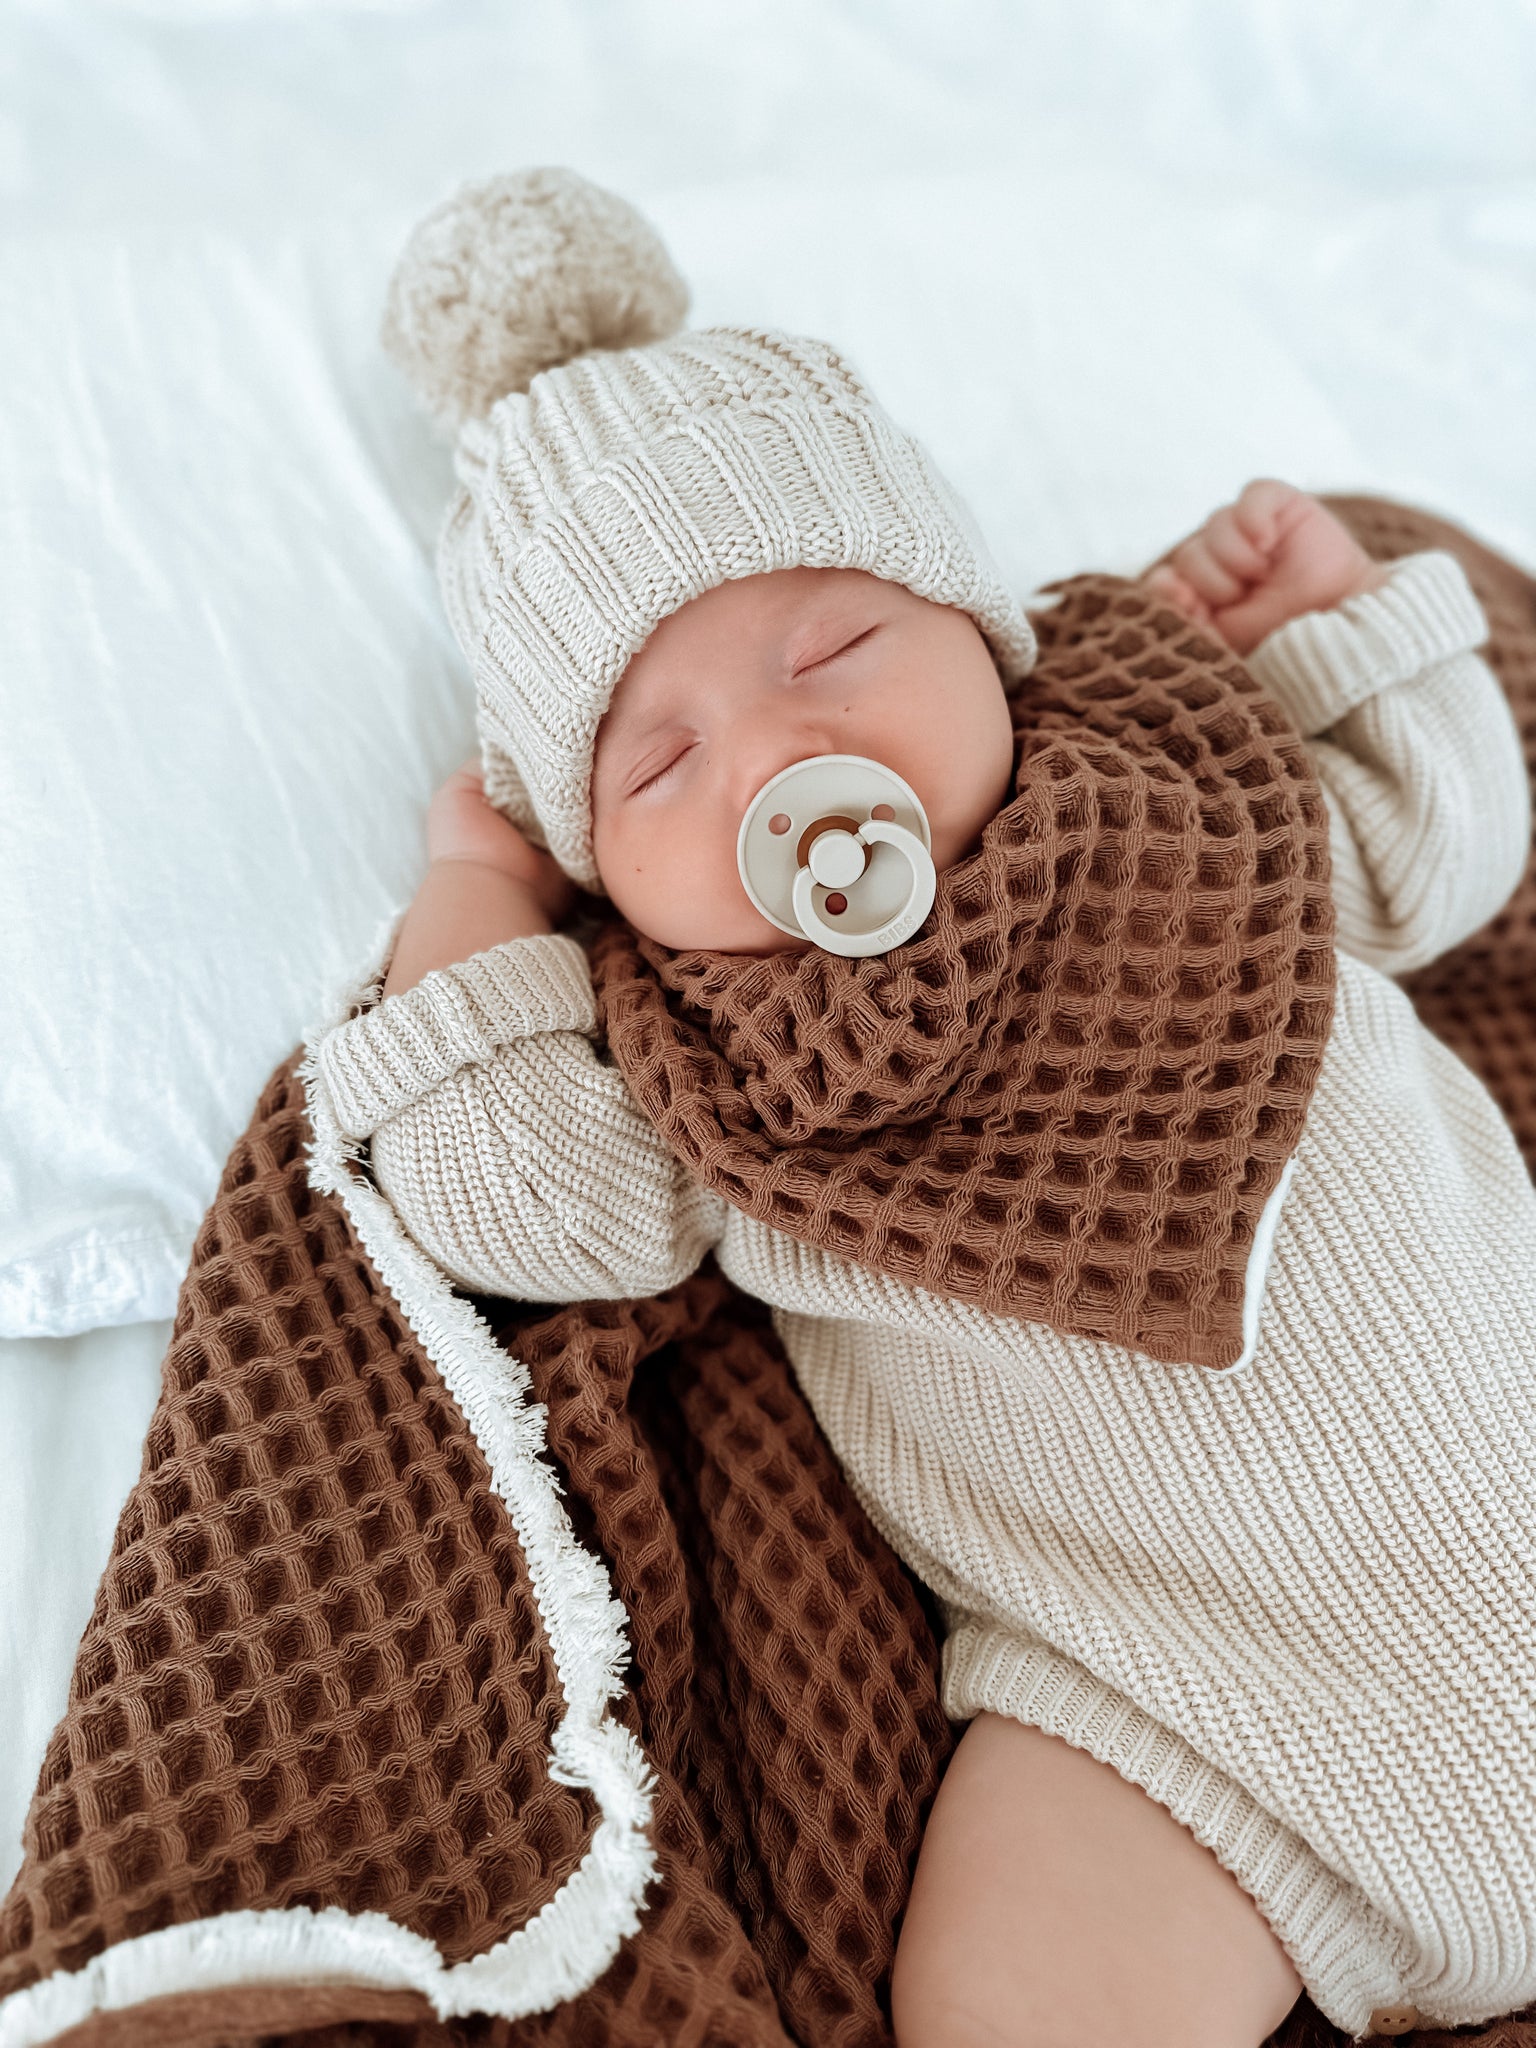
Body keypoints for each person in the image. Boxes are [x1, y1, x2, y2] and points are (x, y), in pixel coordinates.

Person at [313, 167, 1536, 2047]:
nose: (778, 756)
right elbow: (517, 1196)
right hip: (1186, 1717)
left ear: (984, 627)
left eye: (832, 650)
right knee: (1004, 1997)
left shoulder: (1183, 783)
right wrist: (473, 903)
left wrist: (1332, 612)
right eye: (658, 764)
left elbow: (1440, 845)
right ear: (604, 883)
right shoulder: (700, 1067)